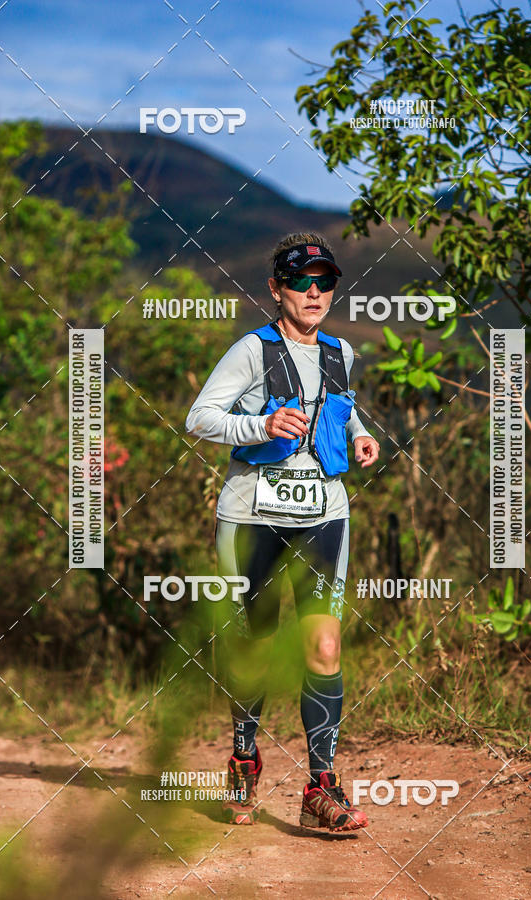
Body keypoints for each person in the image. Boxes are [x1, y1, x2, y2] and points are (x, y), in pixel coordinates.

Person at [185, 231, 380, 831]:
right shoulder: (251, 349)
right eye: (301, 281)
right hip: (252, 515)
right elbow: (201, 416)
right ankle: (245, 758)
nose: (314, 291)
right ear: (277, 290)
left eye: (324, 281)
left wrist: (360, 438)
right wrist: (261, 423)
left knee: (324, 645)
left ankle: (321, 786)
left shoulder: (341, 353)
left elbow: (340, 410)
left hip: (324, 511)